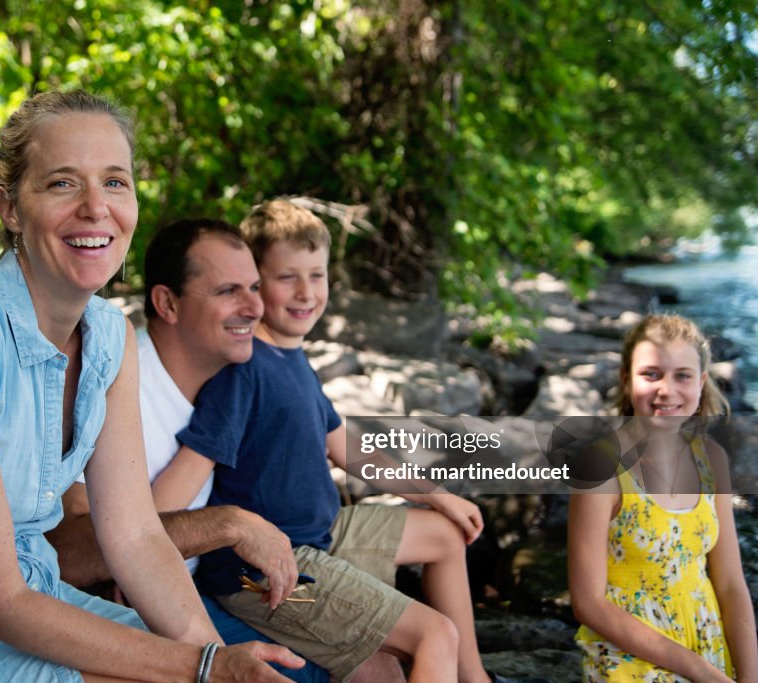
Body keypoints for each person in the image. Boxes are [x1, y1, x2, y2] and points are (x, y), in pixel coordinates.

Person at [0, 89, 303, 682]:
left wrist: (215, 659)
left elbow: (137, 538)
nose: (96, 207)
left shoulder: (111, 337)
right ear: (10, 208)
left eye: (115, 182)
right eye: (63, 183)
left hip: (30, 601)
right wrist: (205, 669)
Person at [153, 199, 546, 683]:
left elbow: (348, 447)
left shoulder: (294, 361)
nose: (305, 293)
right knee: (433, 634)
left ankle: (474, 678)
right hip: (265, 569)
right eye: (285, 278)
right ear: (256, 285)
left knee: (446, 535)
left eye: (316, 276)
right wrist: (138, 551)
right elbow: (176, 487)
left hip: (324, 529)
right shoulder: (244, 370)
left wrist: (440, 495)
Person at [49, 217, 328, 682]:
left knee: (373, 657)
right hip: (130, 611)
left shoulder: (237, 379)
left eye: (256, 287)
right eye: (228, 292)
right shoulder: (110, 381)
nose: (256, 308)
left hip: (214, 585)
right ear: (167, 303)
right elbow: (66, 556)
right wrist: (226, 525)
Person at [568, 314, 758, 681]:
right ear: (626, 379)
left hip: (707, 644)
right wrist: (700, 672)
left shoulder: (712, 459)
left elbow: (731, 583)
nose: (666, 390)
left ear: (702, 383)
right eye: (651, 374)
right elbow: (589, 603)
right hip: (630, 656)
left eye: (682, 376)